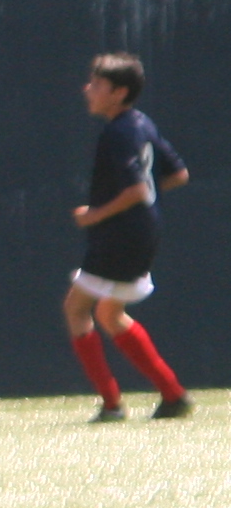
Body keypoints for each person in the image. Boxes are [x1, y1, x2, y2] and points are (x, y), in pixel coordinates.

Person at [67, 53, 193, 422]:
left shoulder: (118, 132)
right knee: (110, 312)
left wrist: (96, 214)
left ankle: (111, 403)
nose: (88, 89)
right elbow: (178, 174)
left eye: (97, 85)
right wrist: (142, 198)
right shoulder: (141, 124)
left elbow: (137, 189)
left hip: (120, 235)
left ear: (119, 92)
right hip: (143, 231)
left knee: (76, 309)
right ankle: (172, 394)